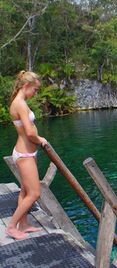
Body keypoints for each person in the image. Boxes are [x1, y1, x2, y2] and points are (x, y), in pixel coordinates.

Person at [6, 71, 47, 240]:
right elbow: (30, 133)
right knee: (34, 193)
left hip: (28, 153)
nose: (36, 93)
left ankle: (23, 224)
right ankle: (11, 227)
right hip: (24, 154)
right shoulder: (20, 104)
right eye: (35, 89)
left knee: (25, 191)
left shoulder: (20, 102)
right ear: (26, 86)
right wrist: (41, 139)